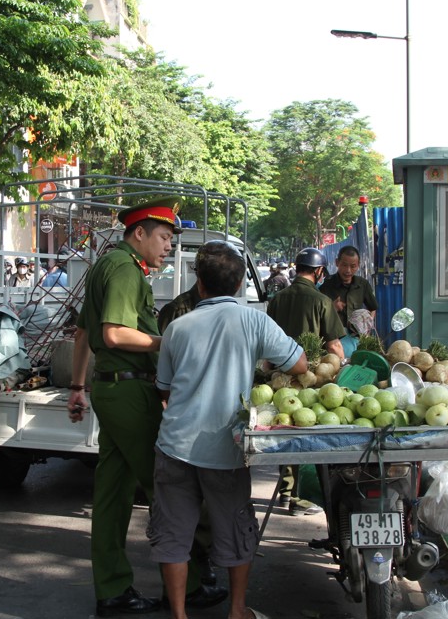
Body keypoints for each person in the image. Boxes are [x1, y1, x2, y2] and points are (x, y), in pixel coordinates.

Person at [67, 198, 227, 616]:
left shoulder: (107, 264)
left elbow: (83, 332)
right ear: (138, 233)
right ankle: (190, 585)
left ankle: (112, 589)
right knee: (169, 487)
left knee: (112, 495)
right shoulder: (123, 269)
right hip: (128, 391)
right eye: (163, 237)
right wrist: (167, 342)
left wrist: (78, 385)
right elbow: (115, 334)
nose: (167, 247)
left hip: (110, 389)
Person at [149, 240, 307, 619]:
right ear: (239, 286)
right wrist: (262, 364)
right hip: (226, 448)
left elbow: (165, 386)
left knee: (173, 535)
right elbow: (300, 364)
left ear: (199, 284)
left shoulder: (177, 327)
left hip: (175, 445)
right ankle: (238, 611)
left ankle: (179, 615)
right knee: (235, 528)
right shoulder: (254, 320)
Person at [266, 247, 346, 516]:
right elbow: (334, 344)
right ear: (319, 271)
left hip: (280, 378)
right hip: (310, 377)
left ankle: (286, 491)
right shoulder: (321, 300)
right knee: (306, 430)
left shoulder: (278, 299)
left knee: (285, 427)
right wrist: (344, 366)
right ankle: (299, 496)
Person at [320, 245, 378, 358]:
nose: (348, 270)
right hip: (335, 342)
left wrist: (367, 325)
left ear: (358, 265)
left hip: (358, 339)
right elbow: (318, 315)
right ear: (337, 262)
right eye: (344, 265)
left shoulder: (363, 285)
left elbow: (373, 307)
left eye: (353, 266)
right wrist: (332, 308)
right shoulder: (326, 286)